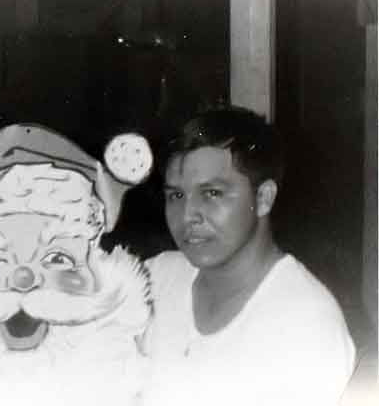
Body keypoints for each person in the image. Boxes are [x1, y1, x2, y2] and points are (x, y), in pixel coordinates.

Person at [141, 106, 355, 406]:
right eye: (176, 195)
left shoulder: (305, 324)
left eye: (212, 193)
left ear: (263, 198)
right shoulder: (155, 278)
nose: (187, 215)